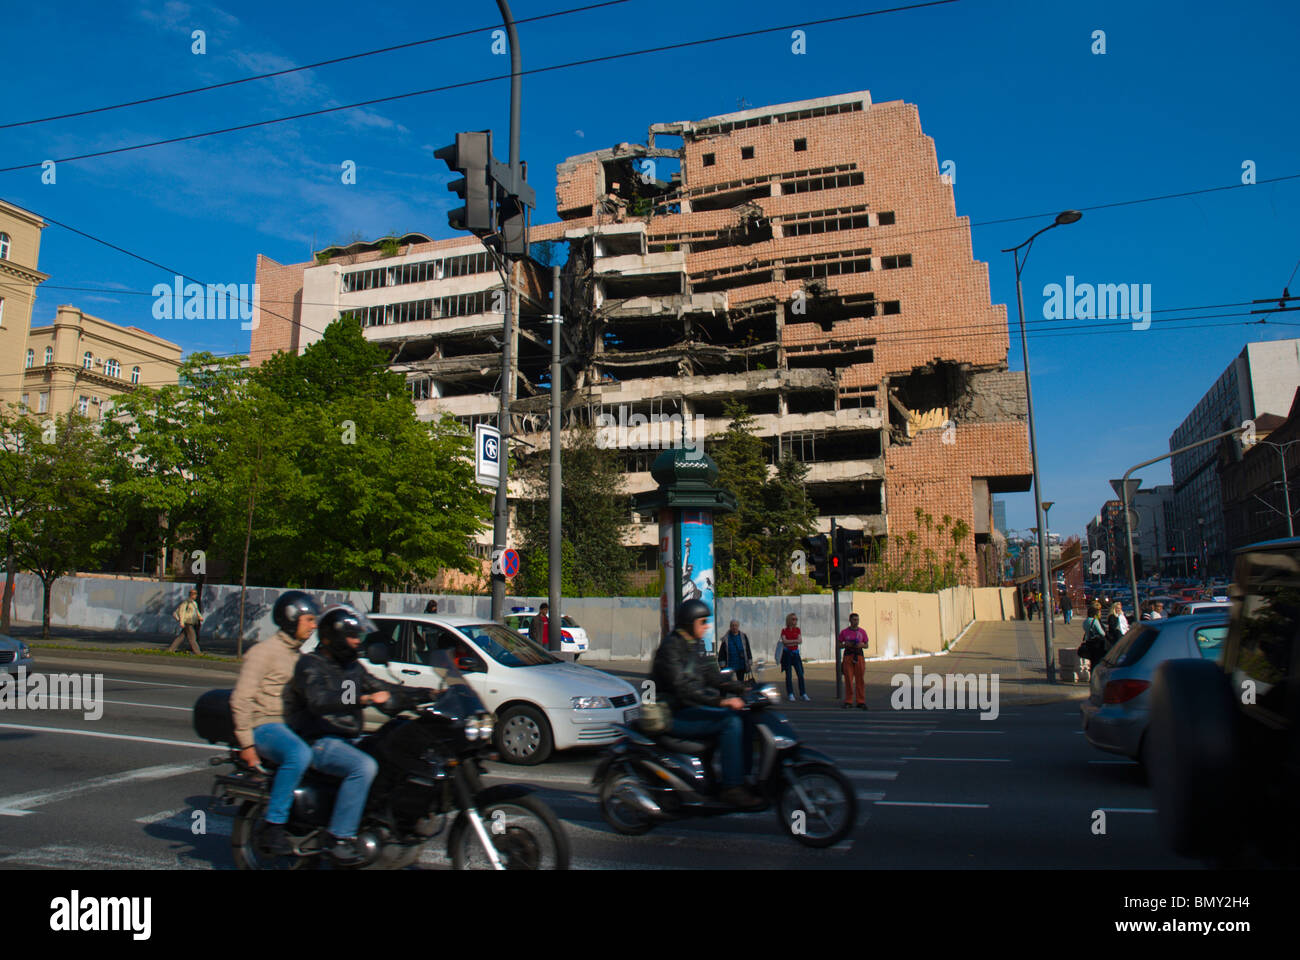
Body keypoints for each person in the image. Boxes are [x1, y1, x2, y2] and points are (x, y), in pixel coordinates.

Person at [285, 604, 412, 865]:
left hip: (347, 738)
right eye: (353, 636)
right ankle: (338, 837)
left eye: (359, 636)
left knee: (391, 754)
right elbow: (320, 699)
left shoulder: (351, 667)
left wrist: (428, 696)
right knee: (363, 767)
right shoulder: (310, 664)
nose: (357, 641)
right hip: (318, 740)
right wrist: (363, 698)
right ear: (335, 638)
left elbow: (383, 687)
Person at [230, 590, 322, 855]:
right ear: (291, 619)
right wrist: (246, 744)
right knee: (298, 753)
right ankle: (274, 826)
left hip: (289, 725)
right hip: (265, 726)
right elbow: (240, 699)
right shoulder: (263, 653)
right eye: (309, 620)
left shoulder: (298, 656)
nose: (313, 625)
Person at [652, 599, 762, 810]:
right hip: (672, 714)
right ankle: (732, 788)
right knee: (731, 722)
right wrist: (722, 701)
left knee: (744, 716)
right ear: (689, 622)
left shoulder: (693, 644)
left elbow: (711, 675)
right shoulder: (671, 648)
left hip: (688, 708)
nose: (706, 626)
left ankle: (743, 776)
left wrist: (742, 688)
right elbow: (683, 688)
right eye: (702, 622)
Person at [839, 612, 869, 709]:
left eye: (857, 620)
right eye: (854, 620)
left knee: (860, 680)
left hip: (859, 656)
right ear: (850, 620)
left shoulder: (862, 632)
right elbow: (839, 645)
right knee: (848, 679)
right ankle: (849, 700)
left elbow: (866, 645)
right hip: (848, 656)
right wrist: (846, 644)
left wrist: (861, 645)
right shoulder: (844, 632)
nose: (856, 622)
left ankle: (861, 701)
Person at [779, 613, 809, 701]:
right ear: (789, 620)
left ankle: (803, 693)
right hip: (787, 654)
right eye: (793, 619)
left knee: (800, 674)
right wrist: (794, 641)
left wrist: (791, 642)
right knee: (788, 675)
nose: (795, 621)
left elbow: (800, 641)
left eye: (796, 619)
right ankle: (790, 693)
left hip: (795, 654)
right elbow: (784, 641)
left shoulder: (797, 630)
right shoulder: (784, 630)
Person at [169, 588, 204, 654]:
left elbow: (196, 612)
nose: (196, 596)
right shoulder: (186, 603)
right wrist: (181, 622)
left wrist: (200, 617)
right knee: (192, 638)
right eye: (194, 594)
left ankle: (171, 649)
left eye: (196, 594)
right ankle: (198, 652)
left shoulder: (194, 603)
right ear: (191, 595)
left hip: (191, 622)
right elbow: (182, 613)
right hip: (187, 622)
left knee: (181, 637)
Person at [1078, 601, 1107, 669]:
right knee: (1097, 659)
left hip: (1088, 641)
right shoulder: (1094, 621)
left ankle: (1092, 672)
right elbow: (1101, 632)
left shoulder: (1085, 621)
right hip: (1096, 643)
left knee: (1092, 660)